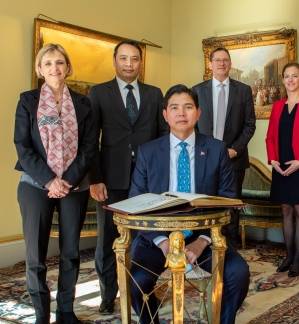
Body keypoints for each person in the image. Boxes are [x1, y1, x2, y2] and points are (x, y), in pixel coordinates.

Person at [128, 84, 250, 324]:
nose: (181, 113)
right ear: (165, 115)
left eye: (187, 107)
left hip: (204, 235)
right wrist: (163, 242)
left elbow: (226, 200)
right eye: (174, 108)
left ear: (198, 113)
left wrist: (201, 242)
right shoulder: (148, 152)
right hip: (157, 237)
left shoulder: (216, 150)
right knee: (138, 281)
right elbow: (137, 201)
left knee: (238, 273)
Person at [14, 43, 96, 324]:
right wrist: (50, 180)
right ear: (39, 69)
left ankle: (65, 310)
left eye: (59, 62)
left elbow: (89, 147)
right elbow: (23, 146)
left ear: (68, 67)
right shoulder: (28, 101)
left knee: (71, 252)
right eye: (47, 63)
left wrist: (67, 180)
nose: (54, 68)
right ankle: (40, 314)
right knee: (36, 254)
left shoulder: (84, 103)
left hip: (75, 185)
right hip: (35, 185)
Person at [87, 40, 168, 315]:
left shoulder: (155, 94)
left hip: (148, 180)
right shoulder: (98, 93)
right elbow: (91, 140)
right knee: (109, 238)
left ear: (140, 62)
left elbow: (162, 139)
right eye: (123, 58)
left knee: (147, 237)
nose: (129, 63)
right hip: (111, 178)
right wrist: (94, 179)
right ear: (114, 61)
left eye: (134, 59)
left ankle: (141, 290)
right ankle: (108, 294)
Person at [193, 47, 256, 249]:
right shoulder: (196, 90)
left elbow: (249, 125)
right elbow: (192, 124)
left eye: (226, 60)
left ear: (230, 64)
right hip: (204, 158)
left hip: (234, 159)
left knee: (231, 205)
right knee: (204, 204)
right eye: (217, 60)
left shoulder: (243, 90)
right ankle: (203, 247)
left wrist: (235, 149)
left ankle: (229, 248)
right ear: (210, 64)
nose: (222, 63)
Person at [265, 63, 299, 278]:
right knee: (286, 210)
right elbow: (270, 136)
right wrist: (273, 160)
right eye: (287, 76)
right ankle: (288, 256)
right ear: (283, 80)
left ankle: (298, 258)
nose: (290, 80)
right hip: (280, 165)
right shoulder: (277, 106)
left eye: (294, 76)